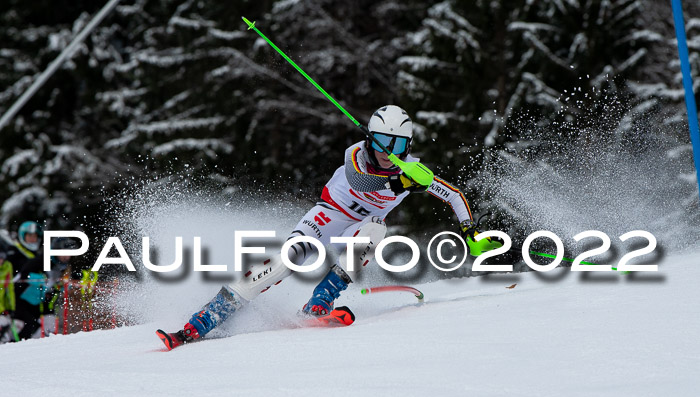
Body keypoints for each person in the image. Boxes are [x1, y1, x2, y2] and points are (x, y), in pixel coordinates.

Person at [157, 105, 501, 350]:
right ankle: (203, 320)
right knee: (284, 262)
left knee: (376, 229)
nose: (386, 151)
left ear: (407, 146)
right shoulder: (357, 155)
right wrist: (402, 185)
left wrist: (469, 232)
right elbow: (363, 183)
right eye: (381, 141)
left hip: (356, 229)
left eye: (396, 145)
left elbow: (454, 195)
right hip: (325, 219)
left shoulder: (413, 169)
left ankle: (319, 303)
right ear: (370, 137)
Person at [9, 237, 73, 341]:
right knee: (25, 326)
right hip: (24, 299)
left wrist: (62, 285)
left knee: (49, 325)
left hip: (44, 302)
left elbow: (60, 285)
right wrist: (42, 280)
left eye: (69, 253)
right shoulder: (42, 260)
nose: (67, 256)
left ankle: (41, 348)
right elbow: (23, 275)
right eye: (63, 252)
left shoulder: (64, 266)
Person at [0, 249, 18, 343]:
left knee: (7, 324)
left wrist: (11, 308)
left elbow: (9, 289)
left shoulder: (7, 267)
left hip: (3, 306)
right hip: (1, 308)